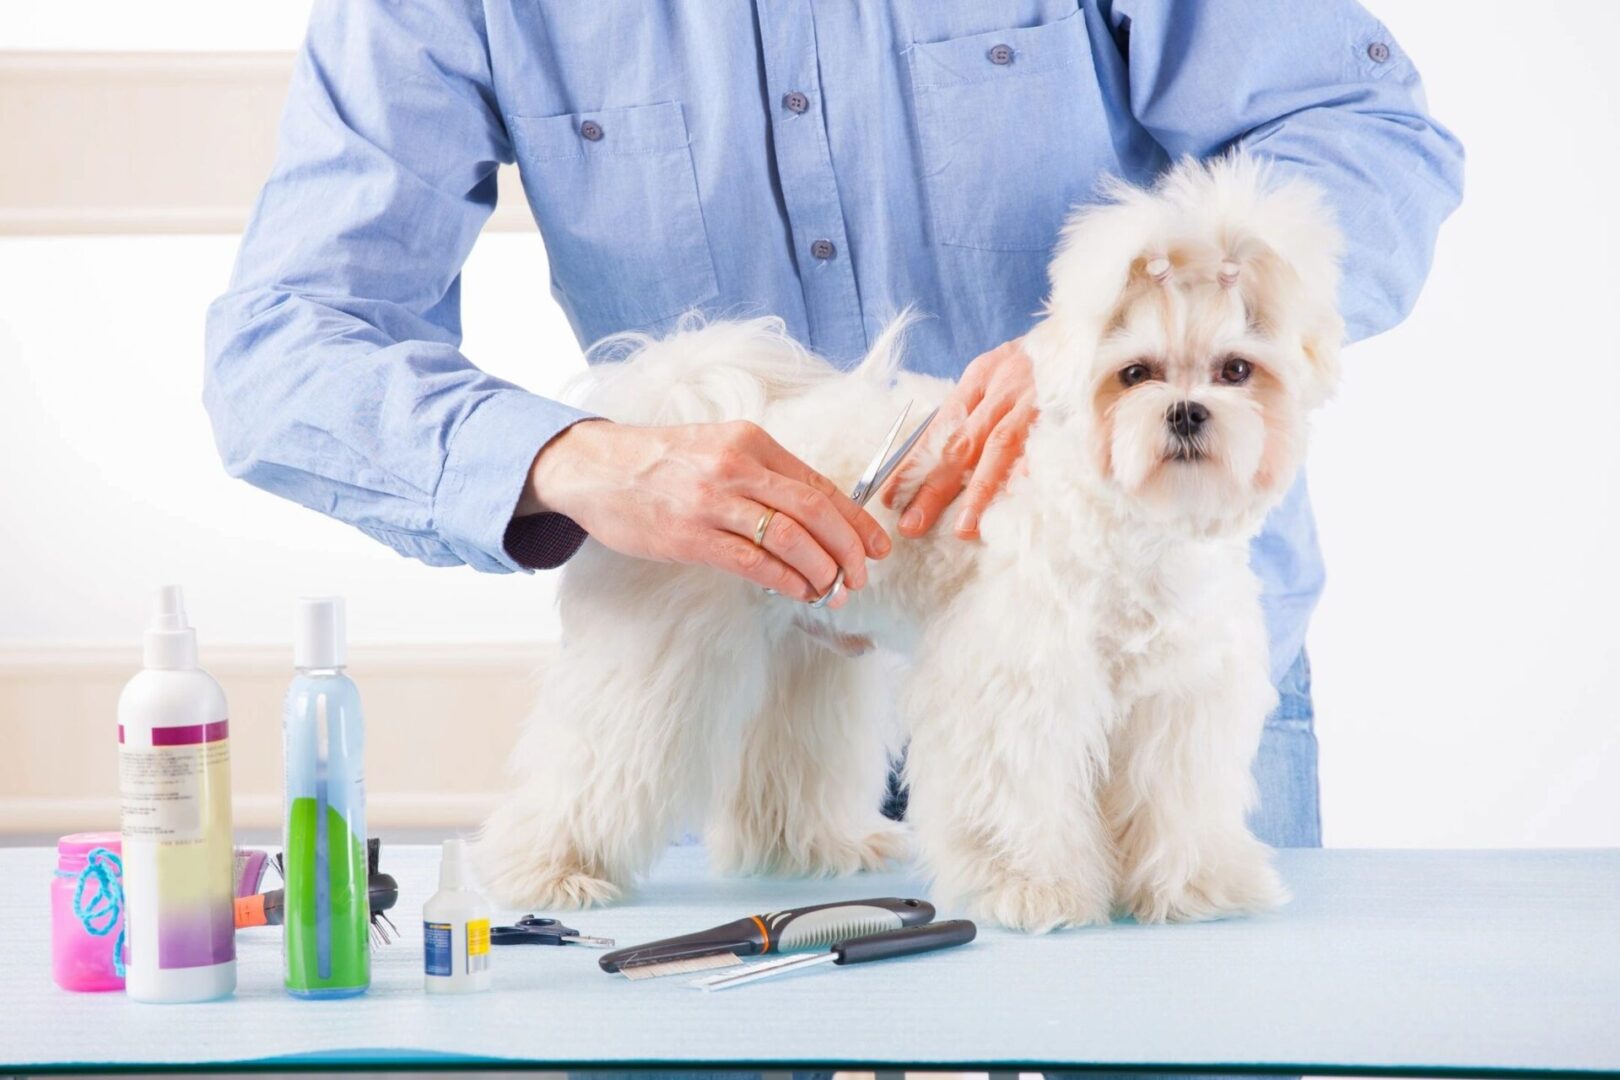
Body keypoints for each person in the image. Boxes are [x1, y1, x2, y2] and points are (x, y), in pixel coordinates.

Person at [207, 0, 1460, 910]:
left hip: (1150, 646)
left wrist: (1106, 343)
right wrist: (576, 459)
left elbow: (1364, 131)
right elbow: (284, 344)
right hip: (741, 654)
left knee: (1176, 1027)